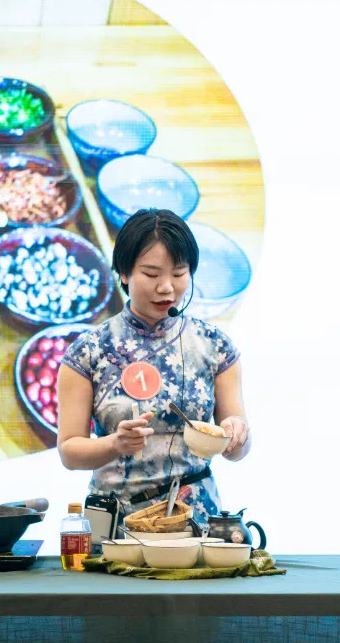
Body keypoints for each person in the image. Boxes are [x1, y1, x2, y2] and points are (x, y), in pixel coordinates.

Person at [56, 208, 251, 532]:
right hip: (117, 523)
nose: (166, 288)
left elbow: (238, 450)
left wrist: (237, 434)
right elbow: (69, 452)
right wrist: (115, 444)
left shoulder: (214, 346)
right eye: (151, 274)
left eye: (179, 273)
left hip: (196, 520)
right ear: (124, 273)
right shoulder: (89, 351)